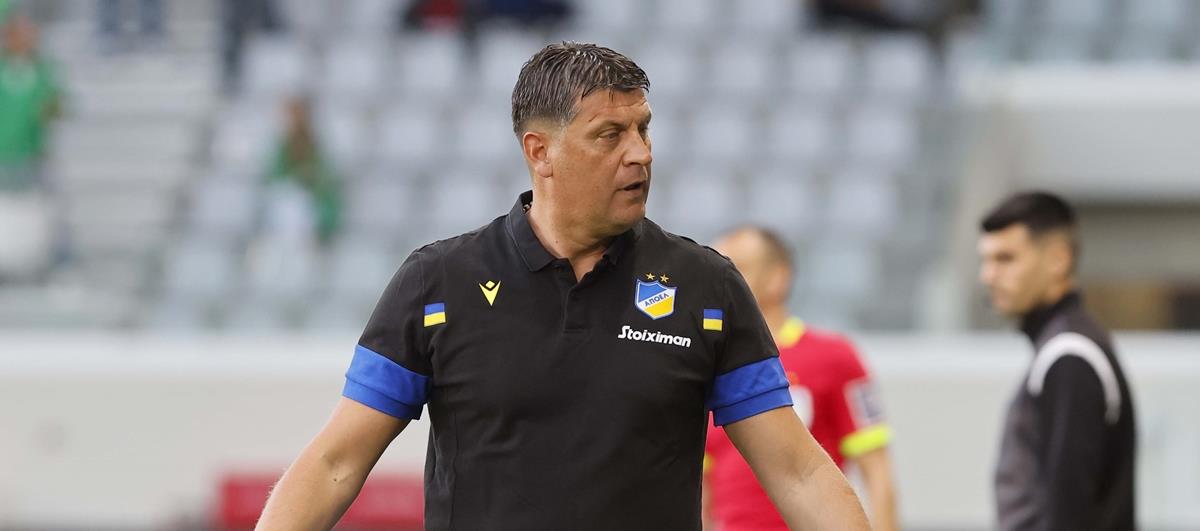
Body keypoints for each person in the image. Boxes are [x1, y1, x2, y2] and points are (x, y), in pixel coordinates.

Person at [256, 42, 870, 530]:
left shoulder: (707, 285)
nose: (640, 154)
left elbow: (798, 472)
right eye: (610, 135)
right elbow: (336, 462)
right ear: (540, 151)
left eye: (644, 129)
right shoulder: (436, 283)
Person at [703, 226, 900, 531]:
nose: (720, 282)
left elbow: (877, 471)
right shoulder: (705, 364)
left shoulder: (835, 357)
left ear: (777, 278)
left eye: (736, 268)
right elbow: (703, 488)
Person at [979, 191, 1136, 531]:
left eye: (1005, 259)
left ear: (1058, 260)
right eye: (986, 260)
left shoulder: (1069, 357)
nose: (988, 276)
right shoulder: (1067, 347)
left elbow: (1069, 515)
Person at [0, 13, 59, 280]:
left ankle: (32, 262)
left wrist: (48, 110)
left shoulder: (42, 72)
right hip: (4, 151)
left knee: (33, 208)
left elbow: (56, 106)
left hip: (31, 152)